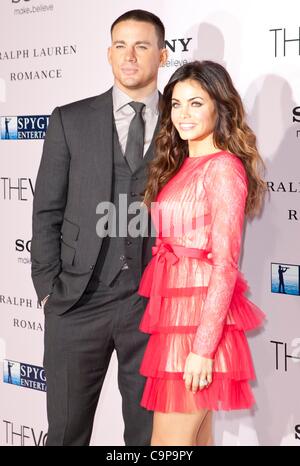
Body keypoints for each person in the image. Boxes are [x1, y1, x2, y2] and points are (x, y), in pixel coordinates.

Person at [30, 9, 168, 446]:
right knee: (66, 433)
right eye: (121, 46)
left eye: (142, 46)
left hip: (150, 306)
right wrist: (48, 287)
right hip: (76, 301)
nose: (130, 56)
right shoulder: (70, 119)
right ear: (108, 54)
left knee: (147, 438)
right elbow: (46, 209)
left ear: (162, 56)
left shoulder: (183, 124)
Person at [138, 60, 266, 446]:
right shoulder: (181, 164)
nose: (183, 114)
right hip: (174, 328)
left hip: (197, 332)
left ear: (218, 106)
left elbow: (225, 266)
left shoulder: (223, 169)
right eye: (176, 104)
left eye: (196, 103)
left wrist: (202, 350)